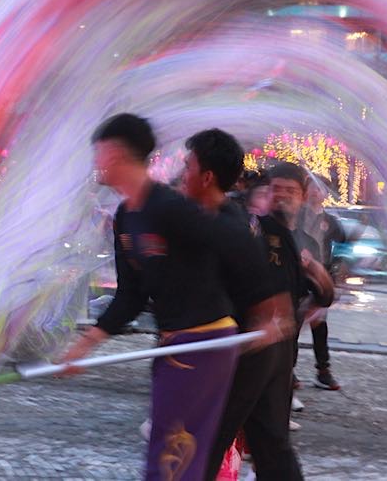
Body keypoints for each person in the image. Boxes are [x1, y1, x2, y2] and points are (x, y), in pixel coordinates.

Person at [60, 114, 288, 481]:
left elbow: (234, 240)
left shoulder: (167, 206)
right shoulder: (126, 217)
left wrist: (270, 308)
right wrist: (84, 345)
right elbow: (131, 297)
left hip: (205, 343)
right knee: (168, 455)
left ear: (114, 153)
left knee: (174, 456)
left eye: (98, 153)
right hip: (173, 344)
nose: (95, 162)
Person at [176, 129, 302, 480]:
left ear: (207, 176)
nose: (182, 173)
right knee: (270, 443)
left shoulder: (226, 224)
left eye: (188, 166)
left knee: (207, 438)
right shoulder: (228, 221)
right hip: (262, 347)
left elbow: (274, 291)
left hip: (247, 347)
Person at [266, 163, 336, 415]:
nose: (282, 195)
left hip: (285, 335)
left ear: (303, 196)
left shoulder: (307, 243)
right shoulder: (252, 230)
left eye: (290, 190)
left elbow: (323, 295)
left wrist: (319, 276)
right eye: (276, 189)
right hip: (252, 335)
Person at [298, 178, 346, 391]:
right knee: (293, 324)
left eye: (320, 189)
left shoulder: (331, 221)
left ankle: (323, 371)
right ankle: (286, 370)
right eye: (311, 188)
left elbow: (343, 245)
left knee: (319, 325)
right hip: (299, 275)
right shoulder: (296, 216)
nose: (315, 192)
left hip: (320, 277)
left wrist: (336, 272)